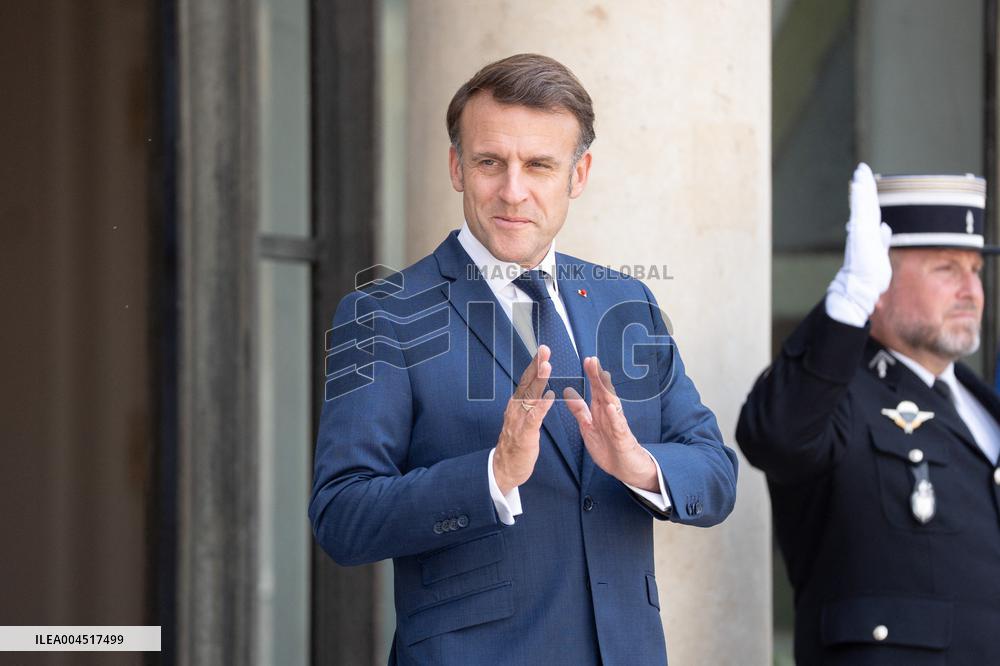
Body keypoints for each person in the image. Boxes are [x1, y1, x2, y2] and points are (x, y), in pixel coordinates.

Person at [310, 53, 738, 665]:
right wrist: (492, 475)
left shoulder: (628, 302)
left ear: (578, 174)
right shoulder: (382, 313)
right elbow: (341, 517)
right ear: (457, 167)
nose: (513, 191)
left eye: (539, 165)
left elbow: (715, 474)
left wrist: (640, 465)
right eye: (490, 162)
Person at [737, 164, 1000, 664]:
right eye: (946, 269)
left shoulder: (982, 406)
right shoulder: (836, 394)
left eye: (976, 269)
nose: (971, 290)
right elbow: (775, 437)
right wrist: (849, 300)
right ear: (879, 280)